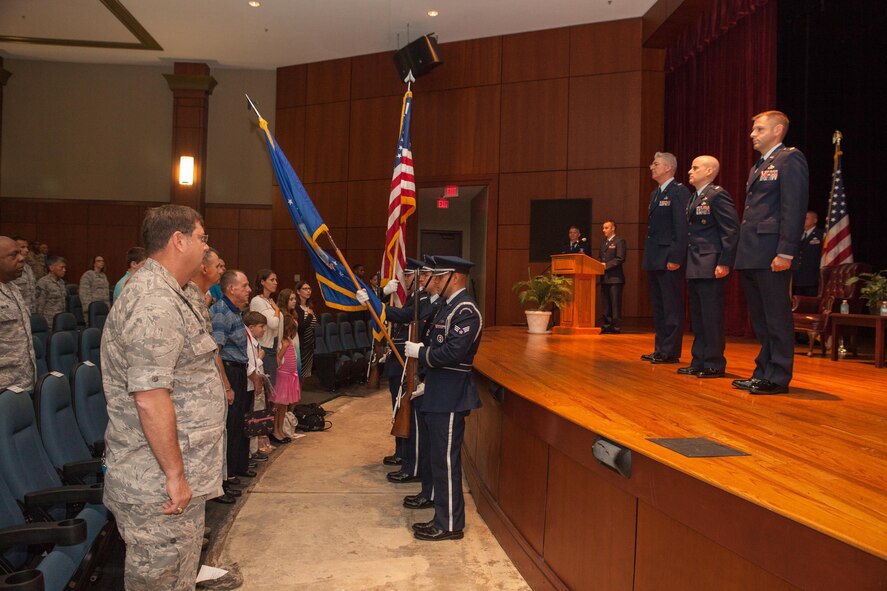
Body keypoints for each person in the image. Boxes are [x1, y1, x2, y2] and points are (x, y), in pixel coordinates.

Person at [100, 205, 226, 590]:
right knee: (160, 581)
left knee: (178, 579)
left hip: (177, 474)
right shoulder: (154, 302)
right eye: (203, 238)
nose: (206, 247)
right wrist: (174, 475)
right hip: (157, 483)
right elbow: (150, 398)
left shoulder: (178, 292)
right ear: (179, 240)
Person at [404, 255, 483, 541]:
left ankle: (450, 524)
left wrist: (420, 354)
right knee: (439, 459)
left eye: (439, 277)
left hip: (451, 395)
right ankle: (442, 516)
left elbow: (452, 353)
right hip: (439, 391)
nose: (433, 281)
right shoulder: (448, 307)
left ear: (456, 277)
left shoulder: (466, 310)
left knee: (447, 462)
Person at [734, 110, 809, 395]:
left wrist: (786, 251)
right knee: (761, 317)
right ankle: (762, 371)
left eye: (759, 129)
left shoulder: (790, 158)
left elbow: (793, 207)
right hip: (753, 251)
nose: (752, 134)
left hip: (773, 252)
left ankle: (778, 376)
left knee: (776, 315)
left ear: (777, 131)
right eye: (754, 130)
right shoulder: (759, 166)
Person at [679, 156, 740, 378]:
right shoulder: (694, 197)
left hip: (711, 263)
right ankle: (698, 360)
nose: (689, 171)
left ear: (709, 171)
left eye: (695, 168)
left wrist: (724, 261)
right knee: (698, 316)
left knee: (711, 316)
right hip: (695, 263)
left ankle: (714, 363)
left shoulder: (716, 195)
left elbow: (730, 230)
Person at [641, 152, 691, 363]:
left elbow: (681, 227)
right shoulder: (655, 194)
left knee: (671, 305)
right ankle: (660, 348)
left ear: (669, 168)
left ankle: (670, 351)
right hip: (654, 257)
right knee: (659, 306)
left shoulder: (678, 192)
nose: (652, 167)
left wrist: (676, 257)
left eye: (656, 164)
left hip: (669, 257)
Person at [211, 270, 255, 480]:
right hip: (229, 371)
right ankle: (226, 476)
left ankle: (238, 467)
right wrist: (227, 386)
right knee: (231, 425)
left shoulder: (236, 311)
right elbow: (215, 352)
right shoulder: (221, 312)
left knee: (240, 423)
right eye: (245, 285)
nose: (249, 290)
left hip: (240, 370)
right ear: (231, 289)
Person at [0, 236, 36, 392]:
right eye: (13, 255)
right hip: (4, 388)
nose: (22, 258)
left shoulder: (13, 288)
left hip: (23, 382)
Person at [243, 311, 276, 456]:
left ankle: (255, 449)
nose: (263, 330)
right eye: (261, 326)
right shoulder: (247, 342)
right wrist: (260, 358)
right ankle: (251, 451)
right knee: (253, 417)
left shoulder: (255, 343)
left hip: (257, 383)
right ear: (251, 327)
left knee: (258, 414)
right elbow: (250, 366)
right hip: (252, 384)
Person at [249, 269, 282, 386]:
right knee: (268, 387)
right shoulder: (257, 301)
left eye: (276, 280)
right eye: (272, 280)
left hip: (273, 347)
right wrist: (277, 310)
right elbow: (273, 323)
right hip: (265, 348)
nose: (275, 282)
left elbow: (278, 327)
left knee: (273, 387)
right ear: (263, 282)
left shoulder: (269, 300)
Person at [273, 315, 302, 442]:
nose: (290, 333)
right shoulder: (280, 342)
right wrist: (283, 348)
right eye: (289, 330)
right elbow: (278, 361)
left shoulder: (289, 341)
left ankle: (280, 428)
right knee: (278, 406)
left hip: (290, 377)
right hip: (282, 377)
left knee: (284, 407)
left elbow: (294, 358)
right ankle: (275, 430)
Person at [598, 220, 626, 334]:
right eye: (603, 228)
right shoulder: (603, 242)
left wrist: (606, 265)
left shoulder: (619, 241)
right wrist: (598, 264)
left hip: (615, 278)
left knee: (615, 304)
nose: (604, 230)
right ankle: (606, 326)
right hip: (604, 278)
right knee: (606, 304)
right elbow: (600, 257)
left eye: (606, 228)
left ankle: (615, 327)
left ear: (613, 228)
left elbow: (620, 258)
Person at [792, 210, 824, 297]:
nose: (803, 220)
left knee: (810, 303)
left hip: (812, 276)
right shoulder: (797, 235)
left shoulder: (821, 234)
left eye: (806, 218)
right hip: (797, 277)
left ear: (815, 220)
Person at [35, 255, 67, 326]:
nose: (64, 270)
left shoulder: (61, 282)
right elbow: (39, 306)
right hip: (49, 323)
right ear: (51, 268)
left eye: (65, 267)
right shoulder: (43, 282)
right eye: (61, 267)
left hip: (61, 321)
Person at [79, 255, 110, 323]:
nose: (102, 262)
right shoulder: (88, 275)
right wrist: (90, 308)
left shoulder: (103, 276)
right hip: (93, 309)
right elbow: (84, 294)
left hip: (104, 308)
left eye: (102, 261)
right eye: (99, 261)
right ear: (93, 263)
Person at [10, 236, 36, 313]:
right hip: (16, 314)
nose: (27, 250)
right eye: (23, 247)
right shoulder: (9, 269)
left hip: (31, 312)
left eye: (27, 247)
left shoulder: (28, 268)